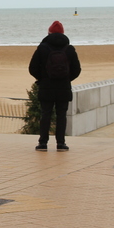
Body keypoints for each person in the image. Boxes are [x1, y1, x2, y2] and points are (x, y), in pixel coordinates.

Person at [29, 21, 81, 152]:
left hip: (46, 87)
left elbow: (32, 68)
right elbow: (77, 69)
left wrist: (41, 79)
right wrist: (67, 79)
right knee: (61, 115)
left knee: (45, 114)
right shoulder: (69, 49)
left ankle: (42, 143)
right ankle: (61, 144)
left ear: (49, 32)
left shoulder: (42, 48)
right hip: (64, 88)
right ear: (63, 33)